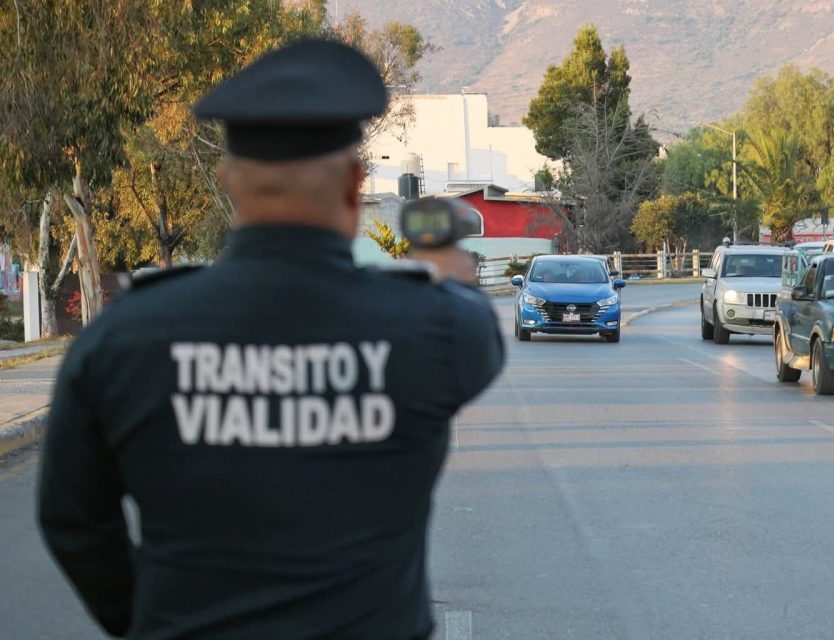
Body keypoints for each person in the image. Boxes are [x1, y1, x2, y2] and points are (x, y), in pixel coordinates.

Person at [36, 39, 504, 640]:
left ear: (229, 179)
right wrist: (445, 264)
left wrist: (149, 619)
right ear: (354, 184)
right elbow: (474, 322)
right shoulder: (434, 327)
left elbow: (71, 518)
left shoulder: (122, 338)